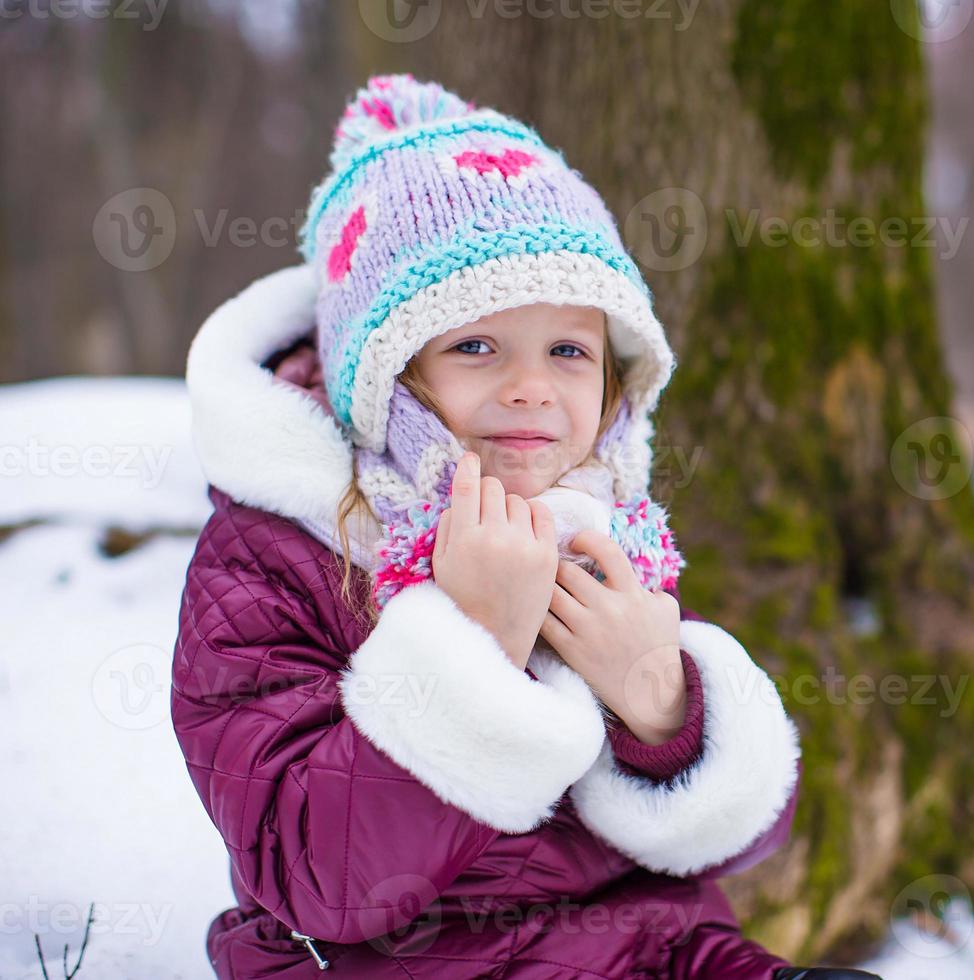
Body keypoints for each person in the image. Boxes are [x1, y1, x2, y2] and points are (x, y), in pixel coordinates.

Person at [170, 73, 880, 979]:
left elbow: (720, 850)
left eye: (569, 351)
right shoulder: (271, 560)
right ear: (379, 373)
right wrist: (475, 641)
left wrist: (659, 705)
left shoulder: (596, 524)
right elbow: (321, 881)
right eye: (474, 345)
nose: (532, 386)